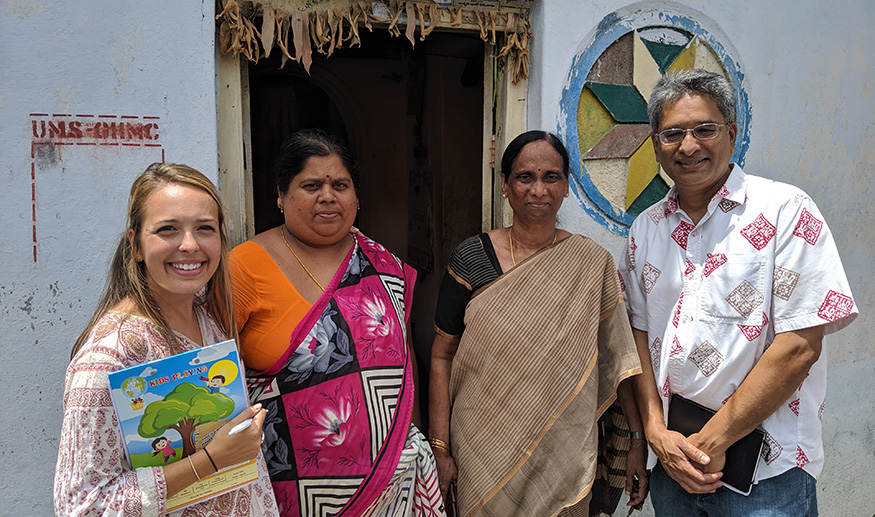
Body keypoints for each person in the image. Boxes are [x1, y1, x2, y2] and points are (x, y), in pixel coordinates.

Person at [619, 69, 858, 516]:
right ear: (655, 145)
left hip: (769, 475)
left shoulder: (786, 211)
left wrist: (711, 442)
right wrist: (654, 432)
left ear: (731, 132)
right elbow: (638, 335)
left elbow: (798, 346)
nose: (688, 146)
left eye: (704, 129)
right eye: (672, 134)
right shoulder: (645, 229)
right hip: (673, 466)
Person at [428, 130, 647, 516]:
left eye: (551, 177)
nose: (538, 189)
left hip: (563, 450)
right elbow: (442, 355)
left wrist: (636, 440)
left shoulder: (590, 263)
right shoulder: (471, 258)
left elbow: (619, 363)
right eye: (525, 177)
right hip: (481, 447)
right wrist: (440, 447)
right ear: (505, 186)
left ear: (566, 187)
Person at [230, 129, 445, 516]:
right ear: (280, 195)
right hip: (286, 485)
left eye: (340, 185)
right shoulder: (244, 267)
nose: (328, 196)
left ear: (356, 197)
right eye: (311, 185)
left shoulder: (385, 268)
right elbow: (213, 375)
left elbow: (403, 366)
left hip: (393, 482)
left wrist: (409, 443)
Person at [54, 163, 279, 516]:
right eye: (168, 230)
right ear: (136, 244)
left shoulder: (208, 319)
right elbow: (84, 506)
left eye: (205, 228)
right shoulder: (109, 355)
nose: (189, 245)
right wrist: (211, 459)